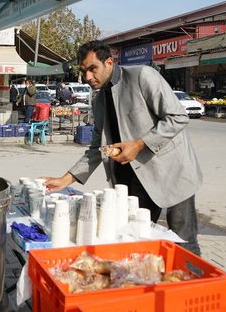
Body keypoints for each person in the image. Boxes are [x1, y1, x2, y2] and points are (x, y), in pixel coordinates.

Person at [42, 41, 203, 255]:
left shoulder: (142, 76)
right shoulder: (99, 100)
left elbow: (177, 117)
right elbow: (96, 147)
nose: (88, 77)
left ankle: (194, 286)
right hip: (133, 181)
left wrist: (139, 144)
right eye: (83, 71)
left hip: (172, 173)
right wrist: (66, 179)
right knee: (137, 240)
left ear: (109, 62)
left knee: (184, 243)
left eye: (93, 69)